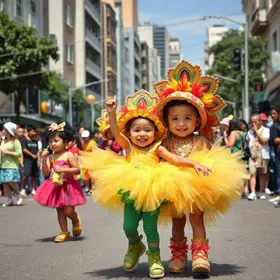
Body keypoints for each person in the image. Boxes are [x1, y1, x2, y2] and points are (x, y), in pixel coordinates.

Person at [80, 90, 212, 279]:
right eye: (175, 119)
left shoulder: (168, 145)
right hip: (146, 187)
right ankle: (156, 250)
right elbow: (117, 134)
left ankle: (180, 256)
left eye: (147, 130)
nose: (142, 134)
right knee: (146, 224)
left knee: (179, 221)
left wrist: (196, 164)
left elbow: (180, 159)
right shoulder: (144, 145)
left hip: (174, 187)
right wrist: (111, 113)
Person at [153, 60, 248, 275]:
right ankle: (178, 255)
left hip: (197, 184)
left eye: (187, 118)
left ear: (197, 120)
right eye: (175, 118)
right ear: (167, 122)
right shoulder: (166, 143)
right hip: (172, 184)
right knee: (177, 218)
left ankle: (200, 254)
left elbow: (210, 159)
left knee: (196, 216)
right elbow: (160, 160)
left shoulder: (201, 141)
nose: (181, 123)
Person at [34, 122, 85, 242]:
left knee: (68, 211)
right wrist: (44, 158)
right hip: (55, 186)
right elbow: (46, 173)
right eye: (51, 141)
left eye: (56, 141)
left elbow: (77, 170)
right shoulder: (50, 157)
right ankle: (64, 232)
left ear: (66, 142)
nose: (53, 144)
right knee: (60, 210)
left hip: (69, 186)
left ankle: (75, 219)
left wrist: (62, 169)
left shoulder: (69, 155)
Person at [247, 114, 270, 201]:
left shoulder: (266, 130)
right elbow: (248, 142)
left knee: (262, 174)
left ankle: (261, 192)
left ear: (260, 122)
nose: (253, 124)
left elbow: (264, 141)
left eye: (255, 122)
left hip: (263, 155)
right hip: (253, 156)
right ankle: (252, 192)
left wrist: (256, 131)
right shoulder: (249, 132)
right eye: (251, 122)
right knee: (252, 173)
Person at [0, 122, 23, 206]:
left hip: (12, 165)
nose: (3, 131)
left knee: (11, 181)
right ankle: (9, 199)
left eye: (5, 129)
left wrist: (6, 152)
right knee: (5, 183)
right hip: (2, 164)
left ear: (9, 131)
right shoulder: (3, 141)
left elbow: (19, 153)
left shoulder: (15, 142)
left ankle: (18, 195)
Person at [21, 125, 40, 196]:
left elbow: (37, 151)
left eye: (35, 131)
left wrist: (38, 160)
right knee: (26, 175)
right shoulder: (24, 141)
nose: (34, 133)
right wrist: (32, 155)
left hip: (35, 161)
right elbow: (24, 150)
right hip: (27, 160)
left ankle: (33, 189)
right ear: (28, 131)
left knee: (34, 175)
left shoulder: (35, 141)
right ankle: (23, 189)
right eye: (33, 131)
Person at [268, 107, 280, 204]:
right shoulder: (274, 126)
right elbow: (276, 140)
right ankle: (279, 193)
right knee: (278, 173)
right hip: (276, 153)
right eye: (271, 113)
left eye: (274, 113)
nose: (272, 115)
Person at [81, 130, 97, 194]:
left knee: (92, 176)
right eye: (83, 138)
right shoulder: (83, 143)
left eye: (85, 137)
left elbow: (95, 151)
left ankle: (92, 188)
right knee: (85, 175)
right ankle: (88, 188)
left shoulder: (92, 142)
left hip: (92, 160)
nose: (84, 139)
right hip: (85, 161)